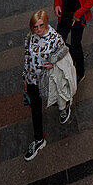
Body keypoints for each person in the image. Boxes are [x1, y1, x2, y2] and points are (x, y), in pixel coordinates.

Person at [22, 9, 72, 161]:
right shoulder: (30, 37)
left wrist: (53, 62)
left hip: (49, 78)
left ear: (46, 23)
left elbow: (64, 50)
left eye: (41, 25)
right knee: (35, 110)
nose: (38, 30)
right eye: (35, 27)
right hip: (32, 79)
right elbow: (27, 56)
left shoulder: (54, 37)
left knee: (56, 96)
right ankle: (39, 140)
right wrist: (25, 76)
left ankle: (65, 106)